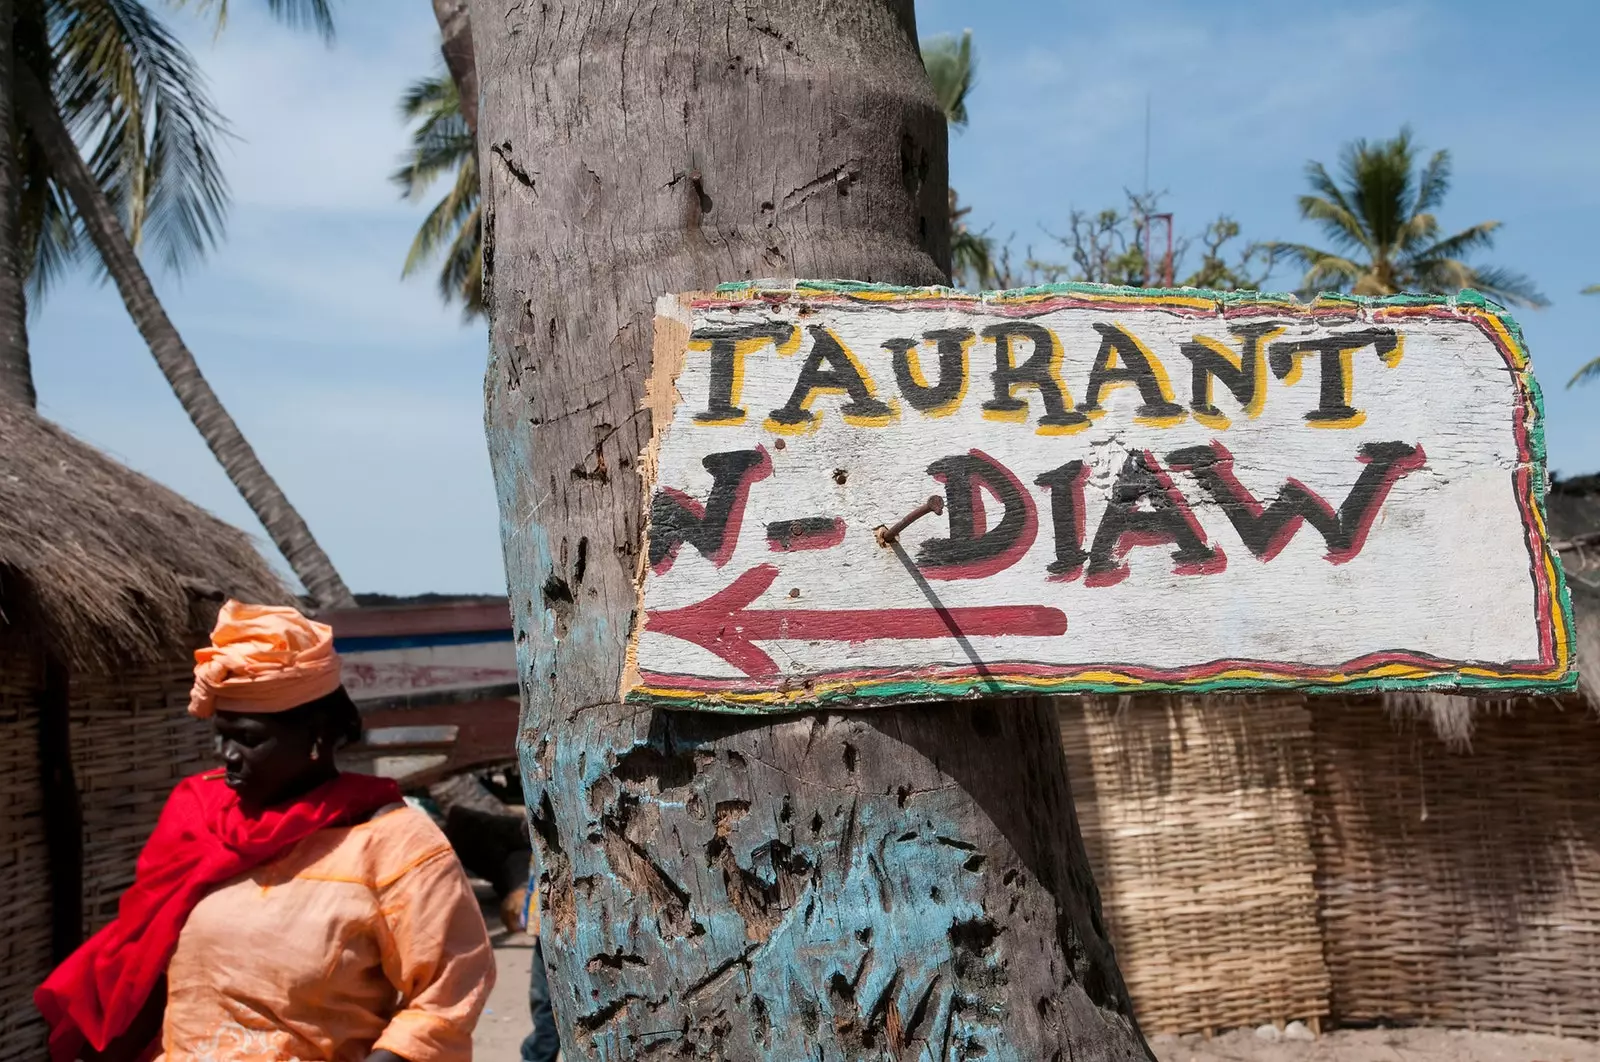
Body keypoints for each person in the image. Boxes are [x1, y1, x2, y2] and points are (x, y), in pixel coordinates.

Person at [35, 601, 497, 1062]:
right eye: (222, 735)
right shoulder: (199, 819)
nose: (228, 755)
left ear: (316, 736)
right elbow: (134, 961)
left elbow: (447, 992)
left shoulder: (391, 843)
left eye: (250, 739)